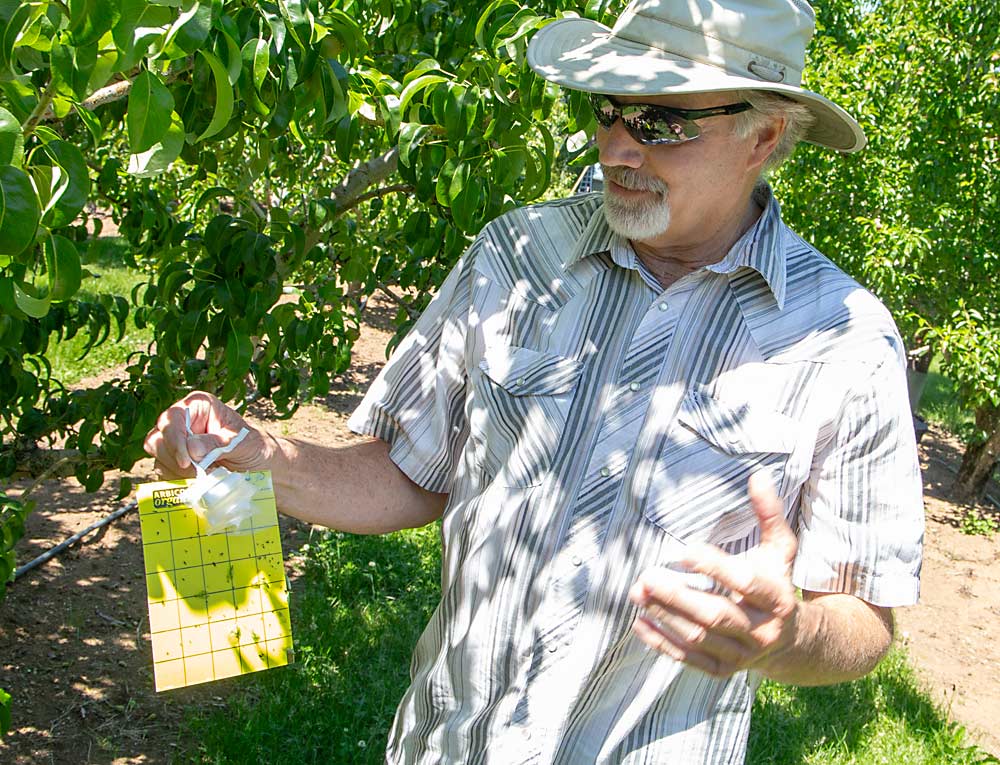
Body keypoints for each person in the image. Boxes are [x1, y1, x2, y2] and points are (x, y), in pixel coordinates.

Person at [144, 0, 924, 761]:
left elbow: (866, 615)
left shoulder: (845, 341)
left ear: (763, 136)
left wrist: (787, 634)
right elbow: (415, 471)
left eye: (660, 123)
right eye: (609, 110)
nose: (618, 148)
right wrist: (261, 459)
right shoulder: (516, 257)